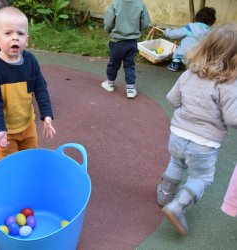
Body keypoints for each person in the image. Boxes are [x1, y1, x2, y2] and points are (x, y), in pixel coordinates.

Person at [156, 24, 237, 236]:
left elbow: (172, 99)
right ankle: (178, 205)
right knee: (201, 178)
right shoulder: (228, 86)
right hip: (203, 143)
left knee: (176, 162)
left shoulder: (189, 74)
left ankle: (165, 194)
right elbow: (232, 118)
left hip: (177, 134)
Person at [0, 6, 56, 160]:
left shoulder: (30, 62)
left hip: (28, 124)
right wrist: (0, 129)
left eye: (20, 33)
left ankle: (28, 182)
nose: (15, 37)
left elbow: (41, 88)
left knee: (30, 159)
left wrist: (47, 114)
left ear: (26, 40)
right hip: (6, 131)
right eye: (8, 33)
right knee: (10, 164)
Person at [101, 0, 151, 99]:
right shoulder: (140, 3)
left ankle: (110, 83)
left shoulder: (115, 3)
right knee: (129, 65)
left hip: (117, 41)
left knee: (113, 63)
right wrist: (137, 29)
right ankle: (131, 89)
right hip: (132, 42)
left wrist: (108, 29)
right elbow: (145, 23)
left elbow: (109, 22)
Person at [164, 7, 216, 72]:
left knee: (181, 46)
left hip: (185, 57)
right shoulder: (211, 33)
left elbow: (175, 34)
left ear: (197, 17)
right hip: (200, 60)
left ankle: (175, 64)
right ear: (212, 21)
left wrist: (167, 32)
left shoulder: (191, 27)